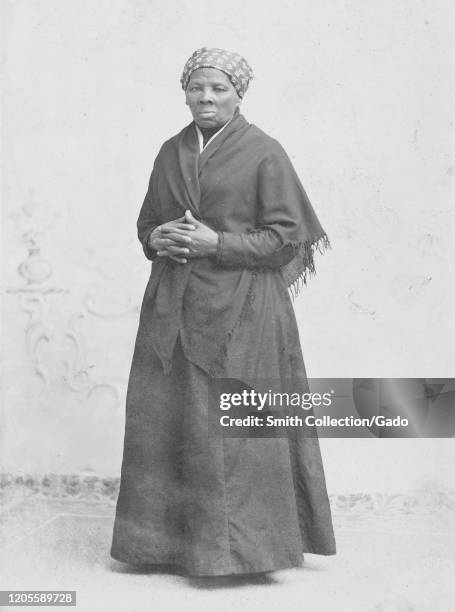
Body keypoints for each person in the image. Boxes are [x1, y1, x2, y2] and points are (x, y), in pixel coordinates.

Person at [110, 46, 336, 577]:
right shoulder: (170, 150)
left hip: (245, 309)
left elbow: (286, 238)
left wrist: (219, 243)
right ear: (184, 92)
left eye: (219, 89)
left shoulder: (264, 151)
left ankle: (245, 553)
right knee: (166, 419)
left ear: (239, 95)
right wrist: (156, 236)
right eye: (197, 87)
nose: (206, 97)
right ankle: (163, 548)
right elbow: (147, 222)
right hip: (172, 307)